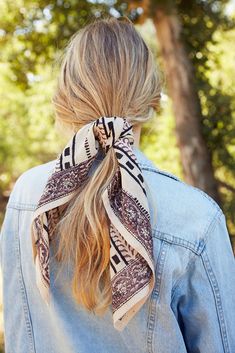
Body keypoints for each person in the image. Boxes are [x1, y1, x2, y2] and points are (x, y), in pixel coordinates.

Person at [0, 15, 235, 353]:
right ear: (152, 100)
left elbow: (20, 334)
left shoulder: (26, 196)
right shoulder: (196, 220)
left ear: (64, 98)